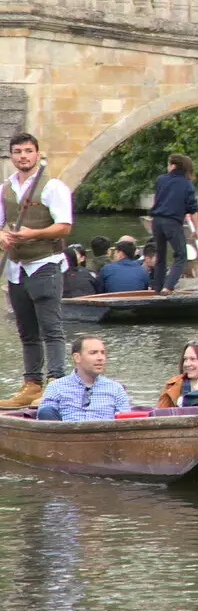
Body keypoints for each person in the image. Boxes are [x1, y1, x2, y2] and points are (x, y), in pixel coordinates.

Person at [0, 133, 74, 410]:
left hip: (45, 263)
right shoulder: (4, 189)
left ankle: (55, 381)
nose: (23, 156)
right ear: (11, 156)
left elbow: (64, 225)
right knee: (26, 330)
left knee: (51, 328)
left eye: (28, 151)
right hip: (16, 268)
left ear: (37, 154)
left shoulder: (52, 187)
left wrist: (35, 233)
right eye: (18, 152)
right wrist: (2, 237)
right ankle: (32, 384)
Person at [35, 336, 130, 421]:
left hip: (105, 438)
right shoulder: (56, 387)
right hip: (66, 437)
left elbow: (127, 423)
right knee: (45, 411)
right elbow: (43, 419)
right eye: (93, 353)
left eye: (103, 353)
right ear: (77, 358)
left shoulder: (116, 389)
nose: (100, 358)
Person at [148, 153, 198, 295]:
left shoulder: (161, 180)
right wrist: (196, 229)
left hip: (156, 221)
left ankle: (157, 288)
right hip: (172, 222)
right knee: (181, 255)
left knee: (161, 255)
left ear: (173, 166)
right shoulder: (187, 184)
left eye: (168, 164)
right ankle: (168, 287)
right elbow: (193, 208)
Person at [157, 340, 198, 408]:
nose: (187, 364)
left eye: (192, 359)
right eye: (185, 359)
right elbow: (160, 414)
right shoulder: (173, 385)